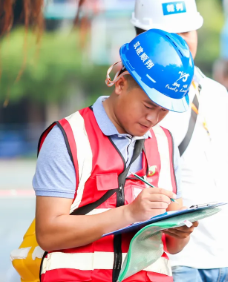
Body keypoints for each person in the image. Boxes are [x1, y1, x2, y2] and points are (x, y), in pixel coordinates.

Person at [33, 29, 197, 281]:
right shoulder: (67, 137)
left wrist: (181, 232)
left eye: (164, 111)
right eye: (148, 106)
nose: (153, 118)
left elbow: (172, 247)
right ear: (120, 84)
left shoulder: (165, 142)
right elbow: (48, 234)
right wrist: (129, 214)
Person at [131, 1, 228, 281]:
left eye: (188, 32)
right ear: (142, 36)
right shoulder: (134, 100)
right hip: (177, 262)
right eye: (171, 35)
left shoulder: (215, 93)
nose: (183, 42)